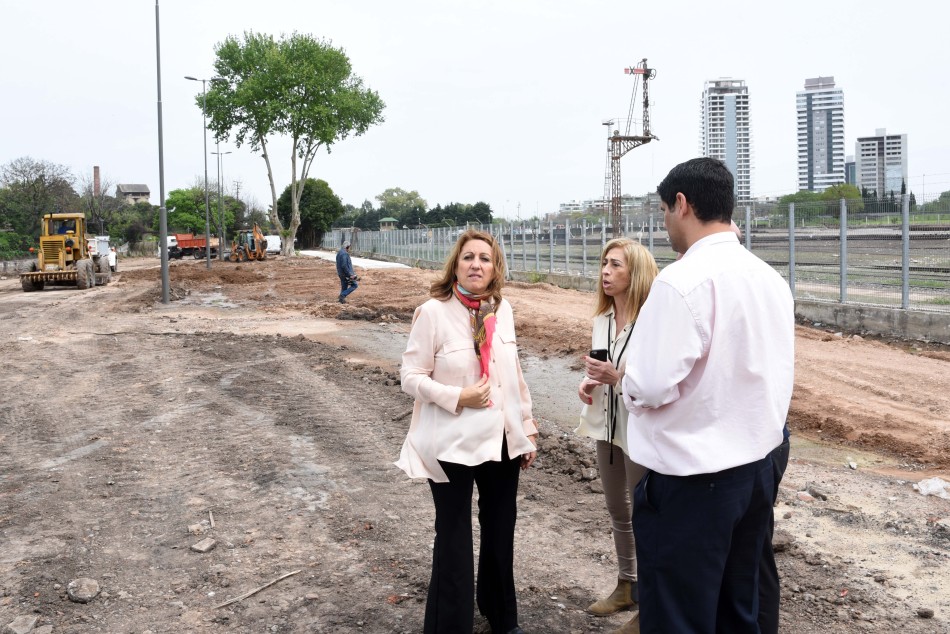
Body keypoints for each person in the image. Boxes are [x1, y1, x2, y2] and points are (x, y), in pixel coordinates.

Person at [621, 157, 795, 633]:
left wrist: (627, 385)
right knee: (738, 609)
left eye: (663, 210)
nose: (664, 221)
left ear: (681, 204)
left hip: (693, 481)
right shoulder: (768, 277)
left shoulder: (681, 282)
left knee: (679, 616)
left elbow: (650, 385)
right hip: (756, 469)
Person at [395, 229, 538, 634]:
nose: (476, 264)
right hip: (451, 441)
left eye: (485, 258)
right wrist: (458, 396)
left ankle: (502, 617)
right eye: (468, 257)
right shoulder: (432, 312)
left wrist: (526, 427)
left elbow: (513, 375)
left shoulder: (502, 310)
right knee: (453, 537)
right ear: (455, 266)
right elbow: (410, 376)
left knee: (500, 531)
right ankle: (449, 625)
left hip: (501, 440)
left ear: (495, 269)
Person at [676, 217, 791, 633]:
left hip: (735, 447)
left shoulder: (696, 283)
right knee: (751, 558)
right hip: (765, 437)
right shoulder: (768, 279)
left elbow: (659, 385)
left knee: (736, 563)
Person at [575, 239, 657, 634]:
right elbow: (601, 368)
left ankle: (651, 608)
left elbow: (655, 383)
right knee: (617, 509)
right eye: (604, 263)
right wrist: (589, 381)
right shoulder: (603, 318)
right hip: (606, 425)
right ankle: (627, 585)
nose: (605, 272)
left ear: (635, 273)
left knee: (646, 515)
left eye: (615, 265)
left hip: (639, 429)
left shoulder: (652, 323)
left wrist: (617, 379)